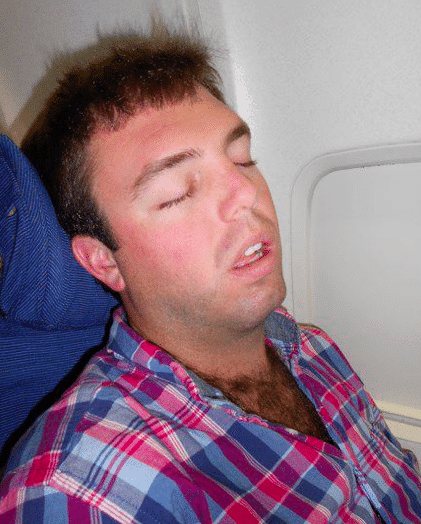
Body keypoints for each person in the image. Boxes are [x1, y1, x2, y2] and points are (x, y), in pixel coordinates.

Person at [0, 24, 420, 524]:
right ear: (104, 261)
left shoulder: (310, 347)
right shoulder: (78, 492)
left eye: (243, 160)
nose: (247, 194)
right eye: (178, 192)